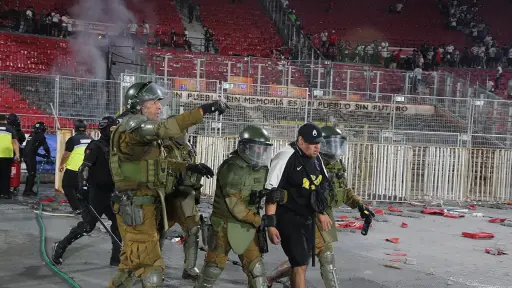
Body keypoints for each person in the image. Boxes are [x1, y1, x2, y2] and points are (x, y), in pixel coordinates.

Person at [108, 81, 228, 288]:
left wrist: (189, 167)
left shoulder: (139, 133)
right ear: (139, 105)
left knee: (129, 266)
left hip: (144, 205)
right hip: (136, 207)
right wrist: (204, 110)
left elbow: (159, 164)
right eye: (154, 102)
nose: (159, 106)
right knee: (152, 268)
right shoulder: (134, 128)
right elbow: (166, 128)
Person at [267, 126, 375, 288]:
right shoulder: (305, 160)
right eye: (330, 145)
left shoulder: (333, 164)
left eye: (337, 145)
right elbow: (278, 191)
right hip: (304, 214)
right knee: (323, 255)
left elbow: (343, 190)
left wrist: (360, 205)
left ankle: (275, 279)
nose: (334, 150)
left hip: (322, 213)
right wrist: (271, 222)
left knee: (302, 258)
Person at [195, 125, 280, 288]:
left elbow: (269, 191)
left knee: (257, 273)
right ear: (245, 147)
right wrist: (259, 221)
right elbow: (236, 207)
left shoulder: (262, 169)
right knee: (211, 272)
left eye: (263, 149)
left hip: (247, 228)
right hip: (224, 229)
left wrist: (279, 195)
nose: (260, 152)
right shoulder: (231, 167)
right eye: (257, 147)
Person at [264, 122, 332, 288]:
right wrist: (270, 226)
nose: (317, 147)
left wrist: (320, 212)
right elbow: (272, 193)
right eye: (313, 143)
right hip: (287, 217)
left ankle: (270, 279)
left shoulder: (317, 160)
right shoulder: (285, 157)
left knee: (302, 261)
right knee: (300, 264)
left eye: (319, 143)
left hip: (307, 218)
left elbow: (320, 189)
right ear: (301, 141)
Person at [51, 116, 122, 266]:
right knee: (88, 226)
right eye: (113, 129)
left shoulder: (118, 147)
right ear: (106, 129)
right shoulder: (96, 146)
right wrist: (83, 188)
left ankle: (117, 259)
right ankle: (60, 246)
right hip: (97, 193)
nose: (116, 131)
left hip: (112, 192)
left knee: (118, 224)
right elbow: (84, 167)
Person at [160, 130, 215, 280]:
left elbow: (191, 172)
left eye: (186, 130)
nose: (184, 133)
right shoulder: (163, 146)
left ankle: (190, 268)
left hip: (186, 195)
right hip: (167, 196)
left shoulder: (189, 147)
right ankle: (154, 268)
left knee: (193, 230)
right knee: (159, 231)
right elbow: (162, 166)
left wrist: (197, 170)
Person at [58, 119, 93, 214]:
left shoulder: (72, 139)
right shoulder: (91, 139)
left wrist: (61, 165)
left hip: (73, 168)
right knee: (81, 188)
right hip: (87, 168)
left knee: (67, 186)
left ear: (75, 128)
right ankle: (84, 207)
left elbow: (66, 155)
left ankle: (77, 208)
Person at [23, 122, 51, 197]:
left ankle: (28, 190)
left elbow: (31, 149)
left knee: (31, 173)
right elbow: (46, 147)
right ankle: (27, 191)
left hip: (26, 155)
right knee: (32, 174)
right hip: (30, 157)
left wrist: (42, 155)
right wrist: (48, 154)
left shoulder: (31, 134)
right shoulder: (41, 135)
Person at [0, 114, 20, 199]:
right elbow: (15, 143)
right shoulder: (10, 129)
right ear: (5, 120)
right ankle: (5, 193)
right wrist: (17, 154)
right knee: (6, 175)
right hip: (7, 155)